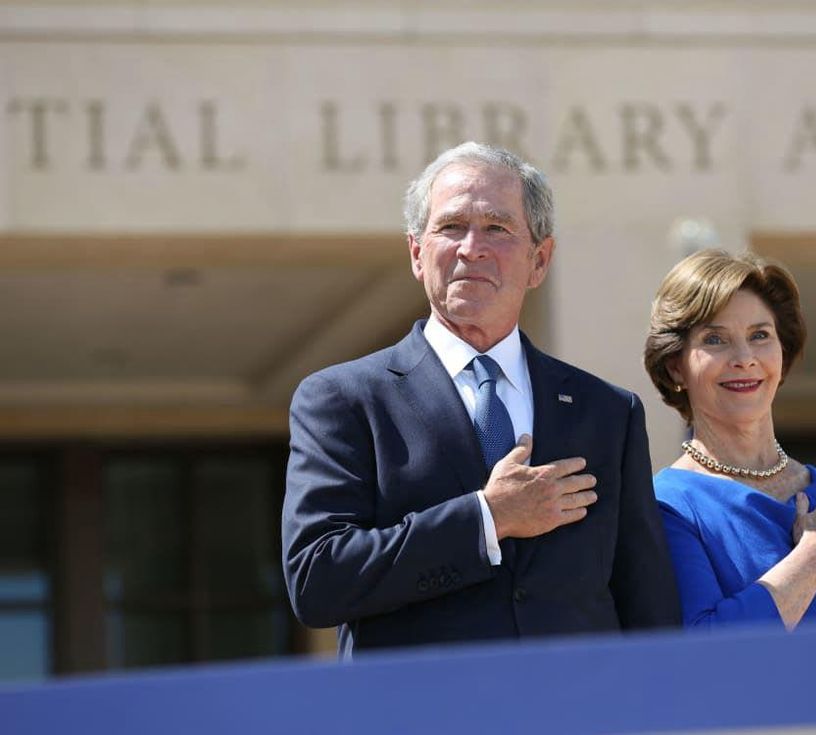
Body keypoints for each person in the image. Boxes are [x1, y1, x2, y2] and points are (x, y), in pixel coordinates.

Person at [283, 142, 680, 656]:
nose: (472, 247)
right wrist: (487, 519)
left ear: (539, 260)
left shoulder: (606, 412)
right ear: (416, 254)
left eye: (497, 228)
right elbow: (318, 580)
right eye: (450, 227)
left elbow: (646, 607)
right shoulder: (343, 400)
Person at [643, 250, 816, 630]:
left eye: (760, 335)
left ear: (782, 351)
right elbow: (704, 650)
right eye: (715, 339)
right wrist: (812, 557)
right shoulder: (668, 505)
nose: (744, 358)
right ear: (676, 364)